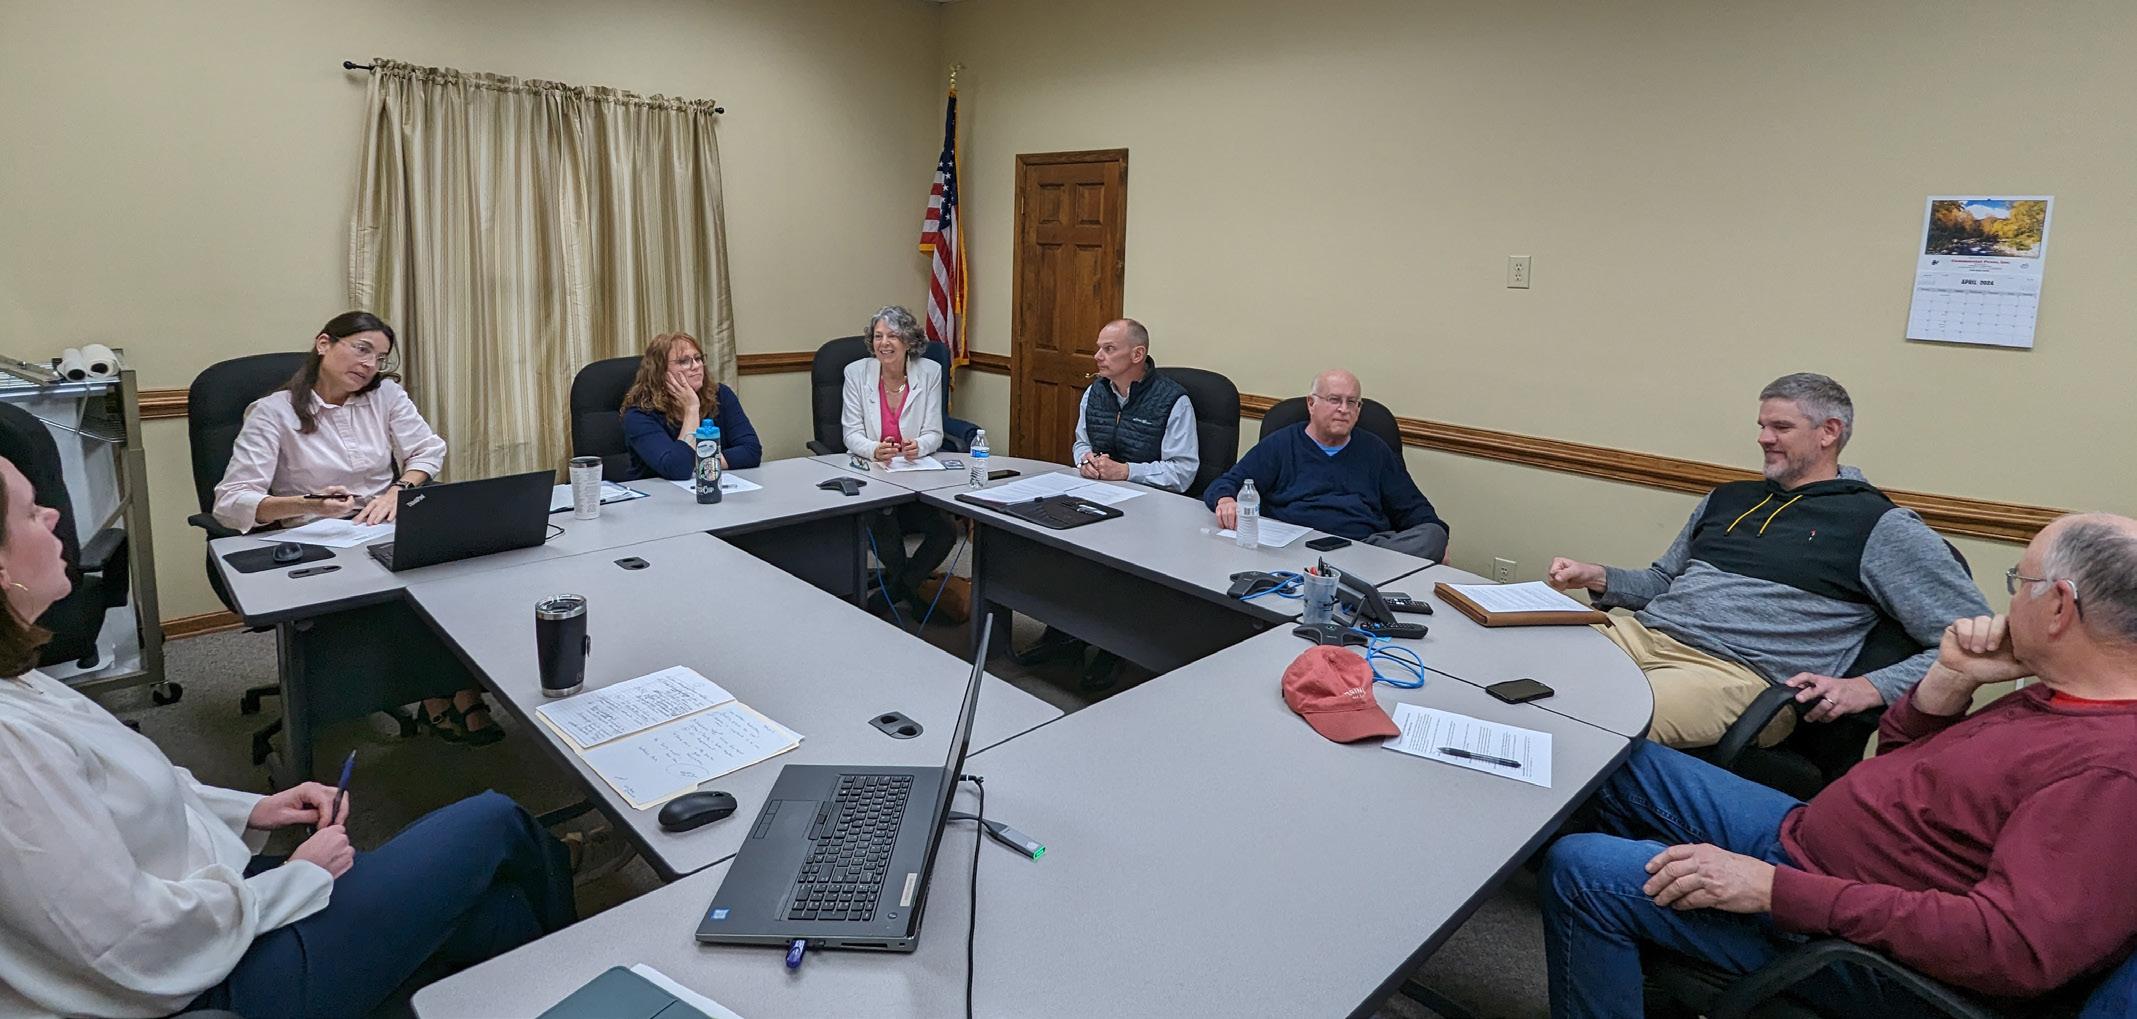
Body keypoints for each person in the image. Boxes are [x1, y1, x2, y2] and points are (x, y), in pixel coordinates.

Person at [0, 454, 576, 1017]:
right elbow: (128, 944)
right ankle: (575, 925)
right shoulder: (10, 747)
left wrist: (254, 810)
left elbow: (132, 793)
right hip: (204, 978)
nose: (53, 515)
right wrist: (299, 877)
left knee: (496, 911)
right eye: (29, 513)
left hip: (211, 901)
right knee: (493, 822)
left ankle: (560, 980)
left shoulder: (20, 682)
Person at [1539, 513, 2137, 1018]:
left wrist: (1774, 889)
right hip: (1811, 844)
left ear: (2059, 606)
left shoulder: (2111, 769)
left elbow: (2010, 949)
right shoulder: (2055, 697)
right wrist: (1950, 680)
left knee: (1586, 870)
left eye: (2019, 581)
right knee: (1617, 752)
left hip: (1855, 943)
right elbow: (1905, 770)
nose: (2009, 599)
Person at [1545, 373, 1988, 749]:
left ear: (1829, 432)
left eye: (1780, 427)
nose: (1763, 438)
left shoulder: (1880, 525)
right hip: (1641, 637)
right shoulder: (1728, 499)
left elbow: (1969, 642)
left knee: (1586, 720)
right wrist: (1599, 576)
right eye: (1762, 426)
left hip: (1733, 675)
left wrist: (1868, 688)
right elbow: (1664, 582)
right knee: (1521, 668)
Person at [211, 311, 502, 745]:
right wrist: (308, 503)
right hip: (312, 534)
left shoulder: (385, 396)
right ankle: (435, 694)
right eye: (361, 349)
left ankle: (450, 689)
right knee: (389, 593)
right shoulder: (273, 413)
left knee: (453, 576)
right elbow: (230, 501)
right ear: (324, 344)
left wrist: (399, 490)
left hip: (381, 521)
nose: (369, 365)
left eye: (379, 358)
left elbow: (427, 450)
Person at [1203, 369, 1449, 560]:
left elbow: (1414, 508)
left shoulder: (1375, 450)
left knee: (1433, 535)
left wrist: (1438, 544)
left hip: (1363, 550)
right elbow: (1227, 483)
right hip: (1294, 546)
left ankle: (1355, 580)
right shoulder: (1281, 443)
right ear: (1312, 404)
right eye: (1334, 400)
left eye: (1352, 402)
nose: (1343, 409)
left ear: (1359, 409)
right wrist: (1225, 500)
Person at [841, 306, 955, 614]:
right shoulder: (856, 373)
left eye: (892, 336)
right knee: (884, 527)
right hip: (874, 476)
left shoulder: (929, 371)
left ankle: (896, 591)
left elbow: (934, 433)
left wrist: (919, 445)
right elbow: (851, 434)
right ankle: (910, 591)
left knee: (945, 531)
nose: (884, 343)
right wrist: (874, 449)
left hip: (914, 476)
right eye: (878, 336)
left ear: (908, 341)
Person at [1070, 318, 1198, 493]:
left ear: (1137, 355)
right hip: (1098, 490)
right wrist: (1085, 461)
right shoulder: (1095, 392)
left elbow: (1182, 472)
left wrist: (1127, 471)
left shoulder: (1173, 400)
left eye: (1109, 349)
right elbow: (1082, 443)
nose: (1097, 356)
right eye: (1099, 348)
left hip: (1150, 498)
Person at [619, 331, 763, 480]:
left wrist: (700, 462)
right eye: (684, 361)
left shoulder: (720, 395)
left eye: (698, 358)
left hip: (714, 486)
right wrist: (691, 409)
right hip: (657, 492)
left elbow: (751, 451)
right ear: (660, 371)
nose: (696, 366)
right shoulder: (639, 415)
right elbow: (677, 468)